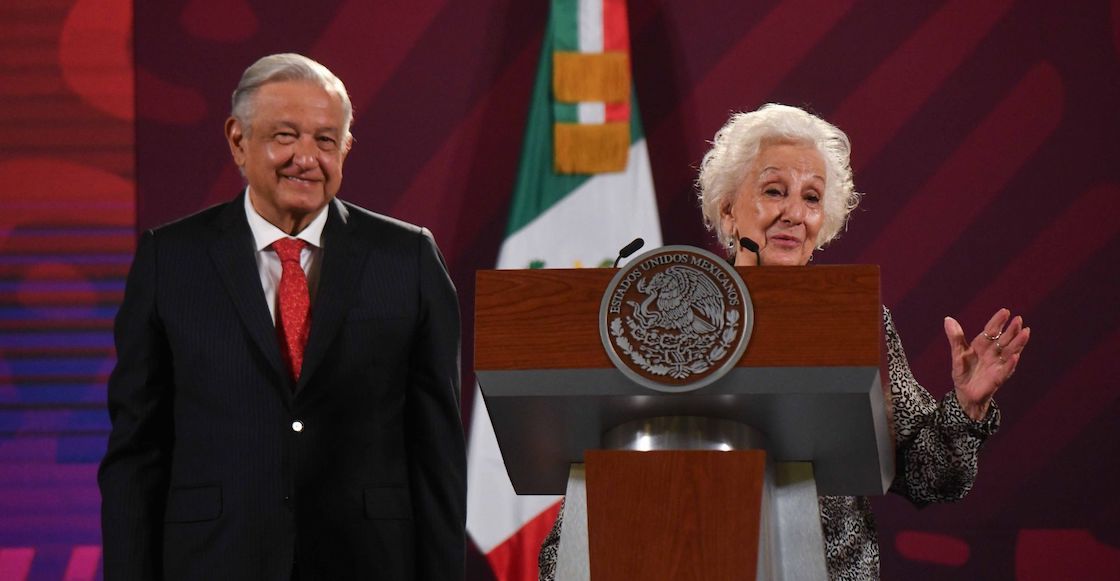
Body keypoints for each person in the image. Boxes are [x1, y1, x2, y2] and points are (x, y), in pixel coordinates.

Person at [538, 103, 1030, 580]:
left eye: (812, 198)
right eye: (775, 191)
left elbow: (930, 477)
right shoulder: (668, 312)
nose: (795, 213)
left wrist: (967, 408)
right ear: (728, 210)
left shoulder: (848, 319)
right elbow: (608, 453)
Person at [98, 53, 466, 581]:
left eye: (324, 139)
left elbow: (437, 452)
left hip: (370, 561)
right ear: (238, 141)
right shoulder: (169, 260)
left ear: (345, 149)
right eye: (285, 136)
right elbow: (137, 453)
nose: (305, 158)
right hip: (214, 561)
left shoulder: (407, 258)